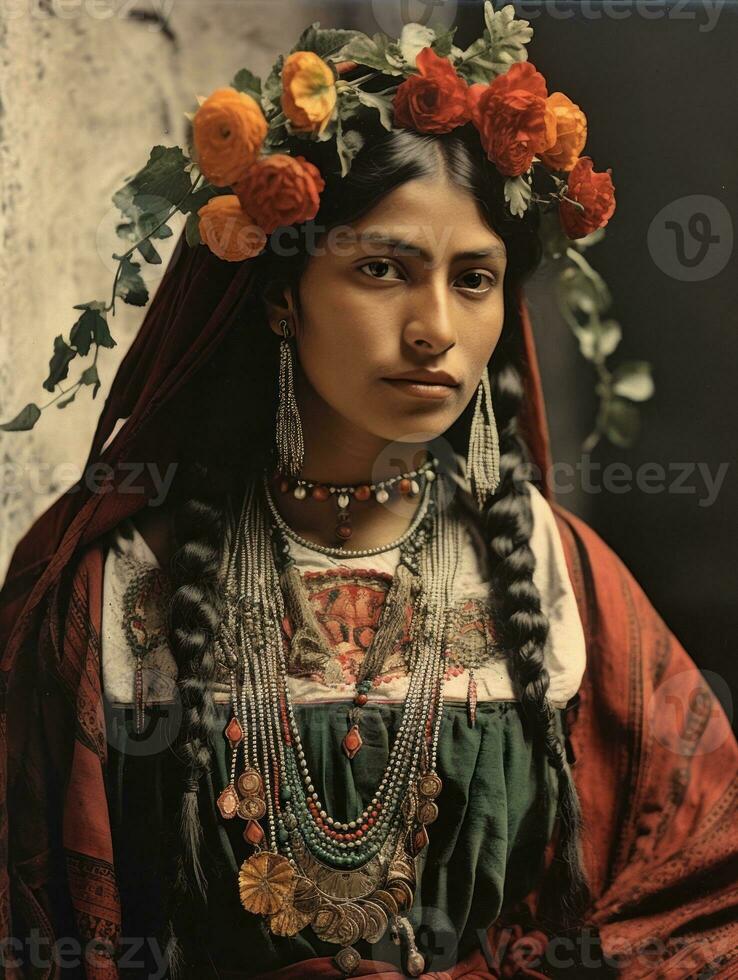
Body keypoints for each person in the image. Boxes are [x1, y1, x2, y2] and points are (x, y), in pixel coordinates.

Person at [1, 12, 737, 980]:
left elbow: (706, 882)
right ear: (281, 295)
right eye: (383, 269)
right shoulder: (114, 592)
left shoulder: (555, 583)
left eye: (473, 278)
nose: (434, 326)